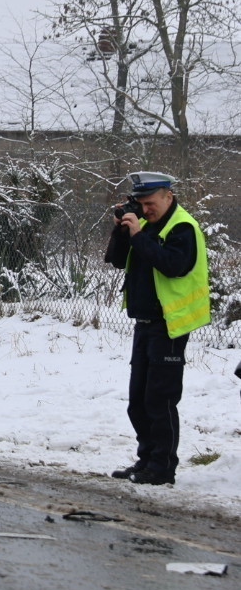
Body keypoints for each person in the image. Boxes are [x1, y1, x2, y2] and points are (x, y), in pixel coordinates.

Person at [103, 171, 209, 486]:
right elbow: (117, 261)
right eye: (141, 204)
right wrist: (122, 232)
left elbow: (173, 265)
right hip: (145, 322)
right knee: (138, 400)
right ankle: (146, 459)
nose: (146, 209)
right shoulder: (146, 226)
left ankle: (163, 467)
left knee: (159, 400)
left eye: (150, 203)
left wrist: (138, 235)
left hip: (171, 325)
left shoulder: (183, 228)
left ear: (167, 195)